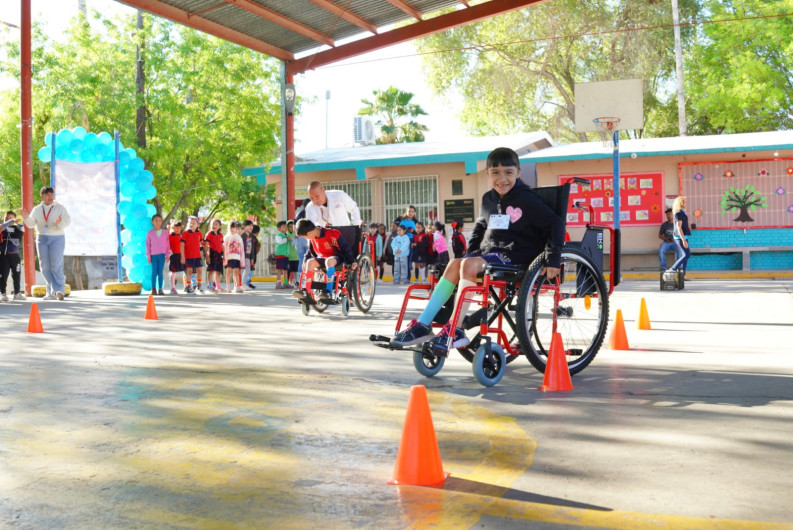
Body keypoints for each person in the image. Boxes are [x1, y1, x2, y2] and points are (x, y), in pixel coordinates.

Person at [392, 147, 564, 353]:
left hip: (518, 255)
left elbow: (556, 223)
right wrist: (470, 253)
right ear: (488, 175)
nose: (502, 179)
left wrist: (553, 258)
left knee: (468, 264)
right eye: (495, 173)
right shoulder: (488, 198)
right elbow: (480, 226)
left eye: (508, 172)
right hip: (493, 253)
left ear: (518, 173)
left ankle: (455, 329)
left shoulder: (527, 199)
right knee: (456, 263)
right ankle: (423, 324)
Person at [20, 186, 71, 300]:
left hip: (57, 238)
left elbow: (67, 221)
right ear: (42, 196)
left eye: (52, 194)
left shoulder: (60, 207)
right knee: (44, 266)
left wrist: (59, 222)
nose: (50, 197)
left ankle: (59, 290)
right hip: (41, 238)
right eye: (47, 194)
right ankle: (50, 291)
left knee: (56, 264)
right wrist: (26, 217)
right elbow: (31, 224)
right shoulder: (37, 209)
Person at [294, 218, 355, 303]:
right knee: (309, 262)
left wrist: (351, 261)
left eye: (305, 237)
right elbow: (309, 251)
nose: (306, 238)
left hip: (336, 258)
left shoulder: (332, 233)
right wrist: (305, 260)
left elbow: (346, 248)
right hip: (322, 258)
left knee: (328, 261)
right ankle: (306, 291)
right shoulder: (312, 238)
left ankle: (328, 292)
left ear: (309, 233)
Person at [0, 211, 25, 301]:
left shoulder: (17, 228)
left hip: (15, 256)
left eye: (11, 218)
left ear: (15, 219)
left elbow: (18, 238)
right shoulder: (2, 228)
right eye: (6, 218)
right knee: (3, 275)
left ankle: (17, 293)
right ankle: (3, 293)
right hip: (4, 256)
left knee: (17, 275)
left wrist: (19, 225)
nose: (8, 220)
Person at [145, 214, 171, 296]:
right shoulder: (150, 233)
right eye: (156, 220)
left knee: (160, 272)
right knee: (154, 272)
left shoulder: (165, 233)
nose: (158, 222)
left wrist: (167, 255)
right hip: (153, 255)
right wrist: (148, 256)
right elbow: (148, 245)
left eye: (159, 220)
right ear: (152, 222)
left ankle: (160, 289)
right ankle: (153, 289)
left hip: (162, 255)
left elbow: (167, 245)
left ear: (161, 222)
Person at [669, 196, 692, 278]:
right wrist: (683, 240)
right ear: (681, 203)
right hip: (680, 237)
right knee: (685, 255)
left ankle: (682, 275)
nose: (687, 203)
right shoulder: (678, 213)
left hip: (684, 236)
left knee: (687, 254)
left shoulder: (682, 213)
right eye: (685, 202)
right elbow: (679, 227)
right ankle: (672, 269)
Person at [181, 216, 204, 294]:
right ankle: (188, 286)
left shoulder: (199, 233)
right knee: (189, 272)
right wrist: (183, 256)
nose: (191, 224)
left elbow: (202, 242)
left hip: (197, 256)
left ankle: (199, 285)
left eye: (193, 223)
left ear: (197, 225)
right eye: (190, 223)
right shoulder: (185, 233)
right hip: (188, 256)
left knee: (200, 271)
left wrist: (206, 245)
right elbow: (182, 245)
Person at [204, 217, 225, 293]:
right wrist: (207, 256)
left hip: (219, 255)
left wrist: (224, 255)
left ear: (220, 226)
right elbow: (206, 246)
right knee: (211, 271)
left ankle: (218, 286)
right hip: (212, 255)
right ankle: (210, 286)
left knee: (218, 271)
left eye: (216, 224)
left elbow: (222, 246)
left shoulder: (220, 235)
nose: (214, 226)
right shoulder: (209, 234)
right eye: (213, 224)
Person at [223, 220, 244, 293]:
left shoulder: (239, 238)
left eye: (234, 227)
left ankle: (237, 286)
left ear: (236, 228)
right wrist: (225, 259)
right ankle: (228, 286)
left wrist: (242, 261)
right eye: (231, 227)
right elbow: (225, 248)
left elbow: (242, 250)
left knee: (236, 271)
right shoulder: (226, 237)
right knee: (228, 271)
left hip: (237, 257)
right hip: (229, 257)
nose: (232, 229)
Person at [168, 220, 186, 294]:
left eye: (179, 228)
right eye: (176, 228)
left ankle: (187, 286)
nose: (178, 230)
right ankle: (172, 288)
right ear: (173, 227)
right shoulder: (169, 236)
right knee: (173, 272)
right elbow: (167, 246)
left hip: (181, 255)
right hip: (174, 256)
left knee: (185, 271)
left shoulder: (181, 237)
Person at [274, 220, 292, 289]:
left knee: (286, 269)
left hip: (286, 255)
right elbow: (280, 242)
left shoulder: (287, 235)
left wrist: (290, 239)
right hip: (280, 255)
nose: (285, 227)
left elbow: (291, 243)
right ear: (279, 228)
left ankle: (285, 283)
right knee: (279, 269)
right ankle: (278, 283)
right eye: (283, 226)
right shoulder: (278, 235)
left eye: (285, 226)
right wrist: (287, 239)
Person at [241, 220, 255, 290]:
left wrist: (252, 258)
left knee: (248, 269)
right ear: (244, 226)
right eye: (249, 225)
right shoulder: (243, 235)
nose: (251, 227)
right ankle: (241, 284)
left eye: (252, 225)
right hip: (243, 255)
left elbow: (252, 248)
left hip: (248, 256)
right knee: (242, 269)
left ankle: (243, 283)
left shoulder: (251, 236)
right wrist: (242, 256)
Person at [286, 220, 299, 287]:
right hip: (288, 256)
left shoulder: (296, 235)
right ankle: (286, 282)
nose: (291, 228)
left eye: (292, 227)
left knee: (296, 270)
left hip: (296, 256)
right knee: (288, 270)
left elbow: (295, 244)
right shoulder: (286, 234)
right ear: (287, 227)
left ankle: (296, 281)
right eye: (290, 227)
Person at [249, 224, 261, 289]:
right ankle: (247, 282)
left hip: (251, 256)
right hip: (252, 256)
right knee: (250, 270)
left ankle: (248, 281)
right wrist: (252, 258)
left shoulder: (250, 237)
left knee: (250, 269)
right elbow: (253, 248)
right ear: (257, 232)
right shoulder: (254, 239)